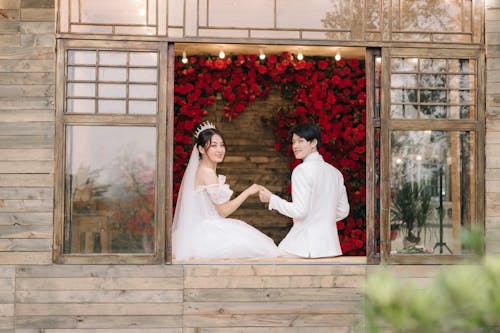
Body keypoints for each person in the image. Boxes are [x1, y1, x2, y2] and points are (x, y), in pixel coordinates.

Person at [172, 121, 279, 260]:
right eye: (214, 145)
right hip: (208, 232)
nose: (220, 150)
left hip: (199, 231)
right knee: (261, 248)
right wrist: (248, 191)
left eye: (222, 145)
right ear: (201, 149)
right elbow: (223, 211)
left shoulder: (202, 170)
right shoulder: (207, 172)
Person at [259, 123, 350, 258]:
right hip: (330, 248)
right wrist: (321, 217)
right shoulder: (335, 173)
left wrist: (271, 199)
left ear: (314, 143)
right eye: (293, 142)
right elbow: (343, 211)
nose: (295, 146)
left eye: (300, 141)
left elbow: (300, 211)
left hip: (303, 247)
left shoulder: (302, 170)